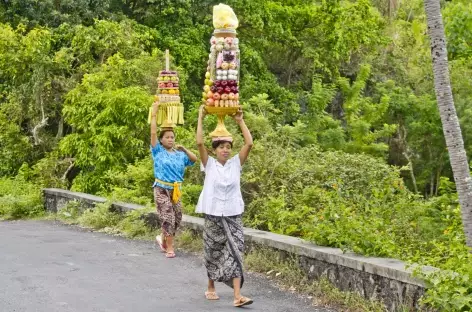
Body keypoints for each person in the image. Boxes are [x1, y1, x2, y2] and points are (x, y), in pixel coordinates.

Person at [195, 105, 254, 307]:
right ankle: (211, 286)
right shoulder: (208, 163)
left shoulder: (236, 163)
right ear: (215, 149)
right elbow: (200, 142)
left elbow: (249, 143)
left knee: (236, 251)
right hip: (213, 213)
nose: (226, 150)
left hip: (233, 213)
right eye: (221, 147)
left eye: (228, 147)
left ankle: (238, 295)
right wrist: (200, 117)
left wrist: (240, 121)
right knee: (213, 251)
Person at [150, 100, 197, 258]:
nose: (170, 139)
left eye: (172, 137)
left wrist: (184, 148)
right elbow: (153, 133)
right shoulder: (158, 151)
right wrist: (155, 113)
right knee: (168, 216)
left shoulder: (179, 155)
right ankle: (170, 248)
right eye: (167, 137)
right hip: (161, 188)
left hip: (175, 190)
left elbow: (194, 159)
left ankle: (163, 238)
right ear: (162, 140)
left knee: (177, 217)